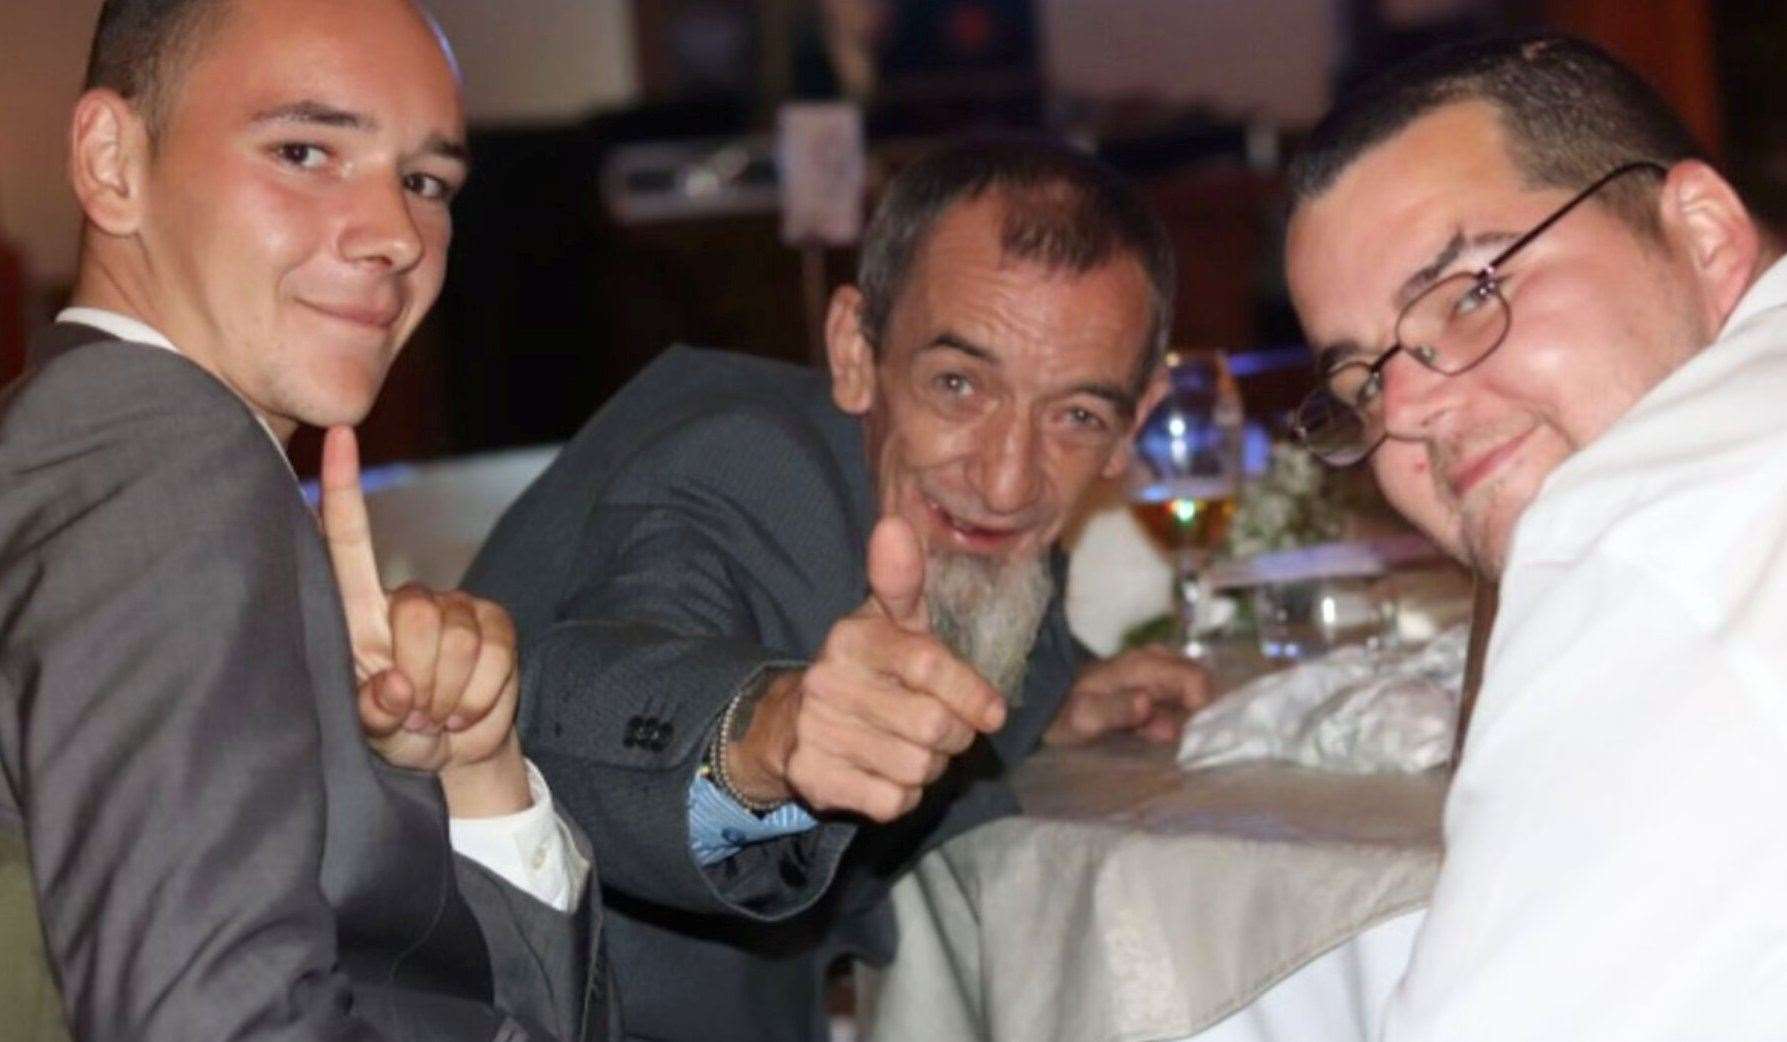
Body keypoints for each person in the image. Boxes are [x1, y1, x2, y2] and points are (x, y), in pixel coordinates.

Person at [465, 140, 1213, 1041]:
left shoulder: (969, 510)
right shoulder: (734, 467)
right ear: (855, 352)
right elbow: (577, 695)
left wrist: (1057, 689)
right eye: (956, 384)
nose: (1009, 479)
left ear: (1132, 420)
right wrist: (763, 736)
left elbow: (987, 611)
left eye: (1076, 415)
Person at [0, 0, 613, 1038]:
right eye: (304, 150)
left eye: (426, 182)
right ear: (111, 162)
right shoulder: (157, 446)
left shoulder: (111, 452)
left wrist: (473, 773)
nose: (393, 236)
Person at [1282, 33, 1787, 1039]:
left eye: (1470, 292)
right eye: (1361, 384)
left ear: (1698, 229)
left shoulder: (1637, 535)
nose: (1411, 407)